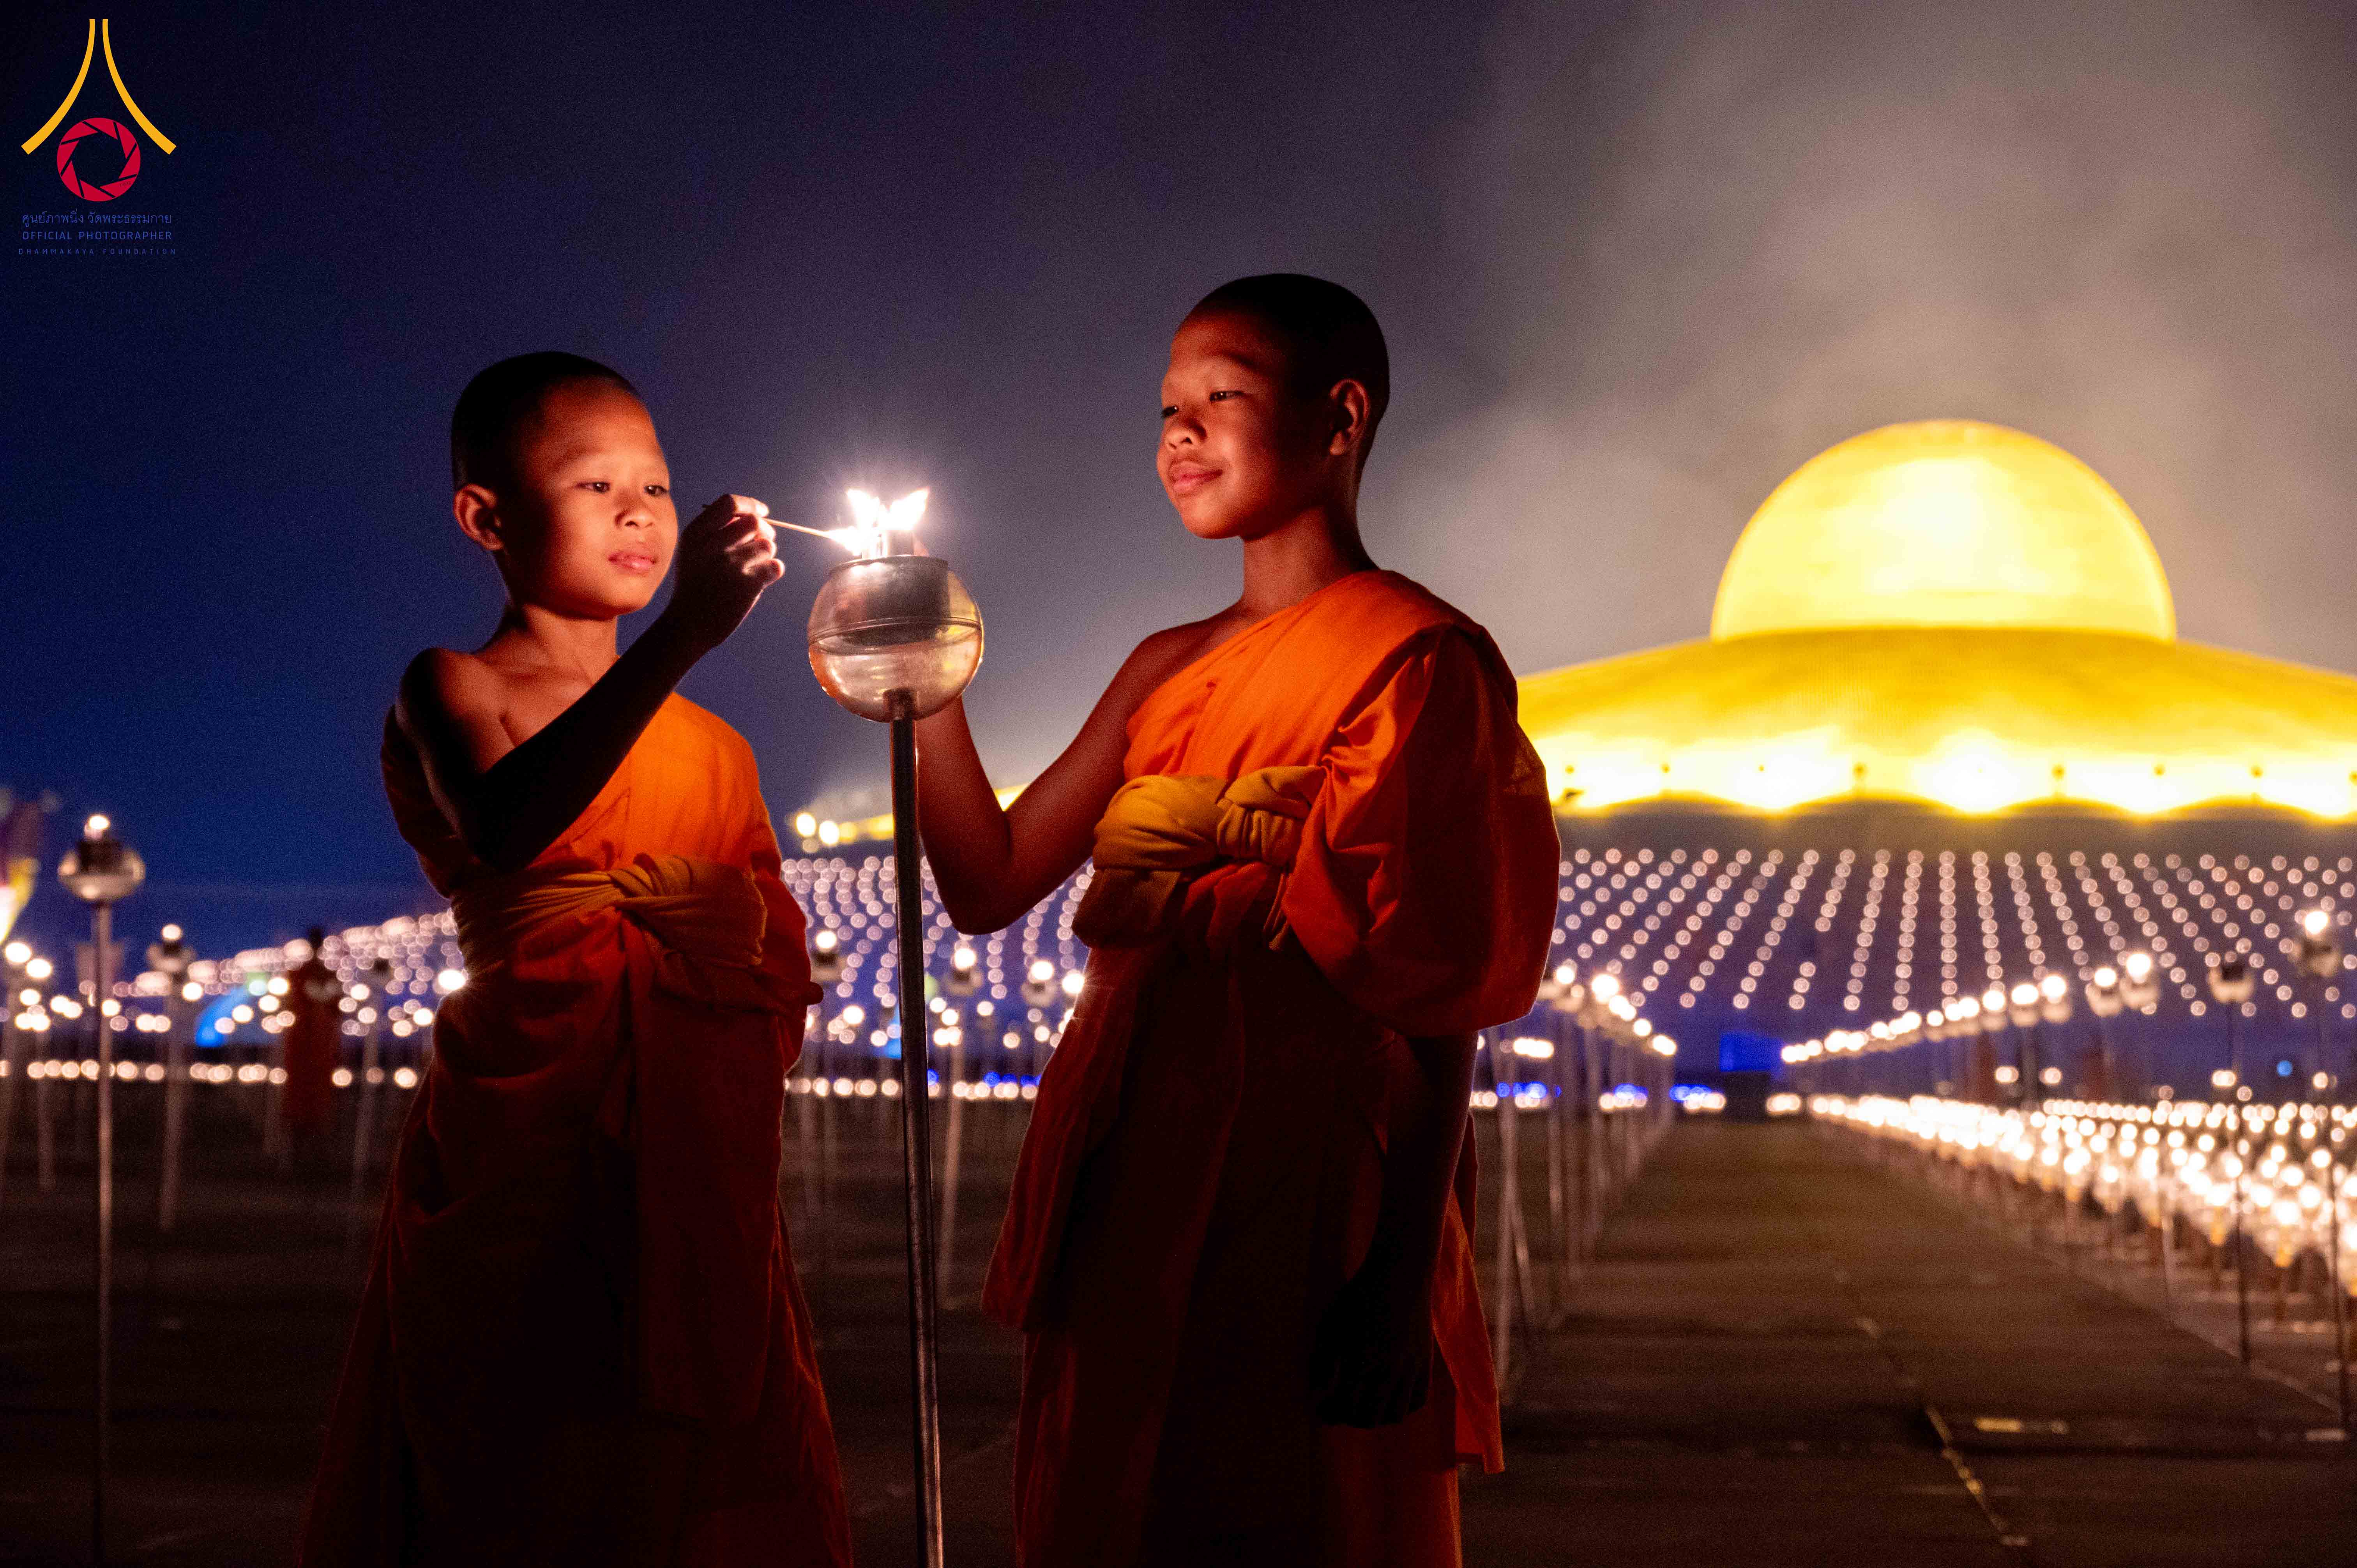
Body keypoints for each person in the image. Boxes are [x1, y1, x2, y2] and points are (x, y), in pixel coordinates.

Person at [915, 275, 1559, 1566]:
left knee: (1298, 1507)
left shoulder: (1418, 659)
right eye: (1165, 407)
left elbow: (1432, 1004)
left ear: (1340, 417)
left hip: (1312, 1174)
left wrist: (1393, 1284)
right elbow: (987, 881)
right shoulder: (1166, 663)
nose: (1179, 434)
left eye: (1222, 400)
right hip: (1131, 1160)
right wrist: (922, 686)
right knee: (1115, 1501)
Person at [299, 351, 852, 1566]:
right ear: (485, 516)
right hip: (524, 1144)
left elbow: (771, 957)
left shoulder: (716, 749)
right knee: (515, 1461)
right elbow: (510, 826)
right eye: (594, 484)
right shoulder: (454, 682)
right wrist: (679, 640)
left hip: (690, 1160)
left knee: (681, 1483)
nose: (640, 512)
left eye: (655, 485)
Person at [280, 925, 341, 1156]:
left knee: (316, 1089)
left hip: (319, 1040)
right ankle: (300, 1142)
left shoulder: (323, 974)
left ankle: (313, 1143)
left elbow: (334, 1007)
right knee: (303, 1088)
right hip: (306, 1039)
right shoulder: (303, 974)